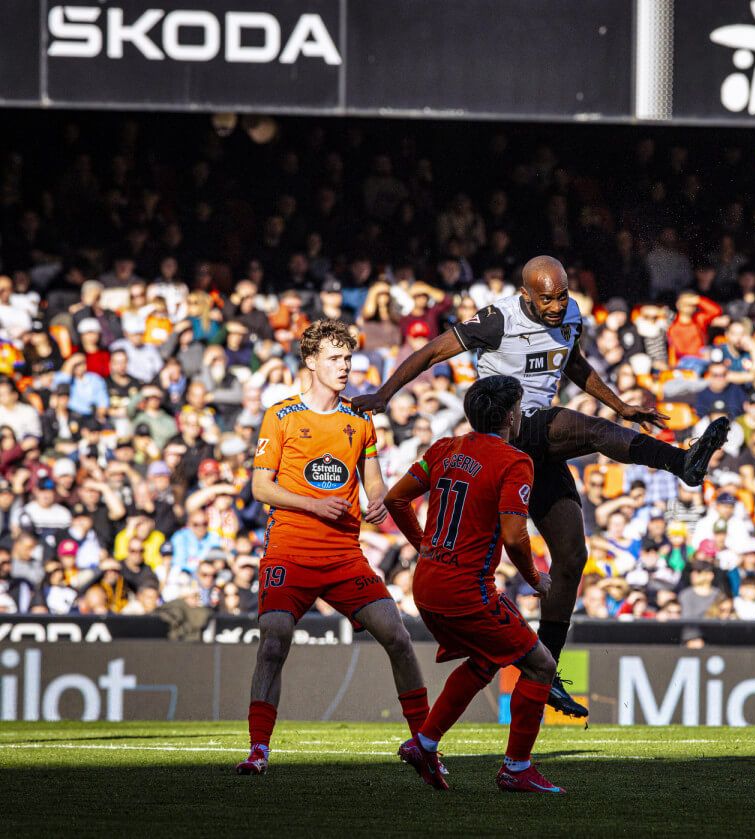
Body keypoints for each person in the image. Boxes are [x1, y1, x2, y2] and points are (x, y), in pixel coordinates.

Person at [352, 255, 729, 717]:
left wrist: (620, 405)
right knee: (587, 428)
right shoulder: (498, 319)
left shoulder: (571, 315)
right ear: (525, 295)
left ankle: (546, 670)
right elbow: (430, 352)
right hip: (508, 432)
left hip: (537, 452)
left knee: (572, 556)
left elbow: (574, 365)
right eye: (546, 299)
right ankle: (682, 462)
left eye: (561, 296)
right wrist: (384, 394)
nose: (555, 306)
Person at [236, 320, 429, 776]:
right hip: (289, 550)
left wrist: (378, 500)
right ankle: (259, 750)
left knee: (398, 636)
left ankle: (425, 743)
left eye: (348, 358)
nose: (345, 366)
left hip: (344, 555)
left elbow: (373, 481)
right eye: (335, 358)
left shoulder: (359, 419)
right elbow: (261, 487)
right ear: (311, 362)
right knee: (274, 639)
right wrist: (312, 504)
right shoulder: (281, 415)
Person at [384, 375, 563, 793]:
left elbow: (395, 499)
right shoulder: (514, 461)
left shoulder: (444, 448)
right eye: (518, 408)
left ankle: (425, 743)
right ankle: (516, 768)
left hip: (426, 584)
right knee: (541, 666)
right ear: (511, 415)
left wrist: (424, 544)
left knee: (485, 658)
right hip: (466, 590)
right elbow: (515, 537)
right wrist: (535, 578)